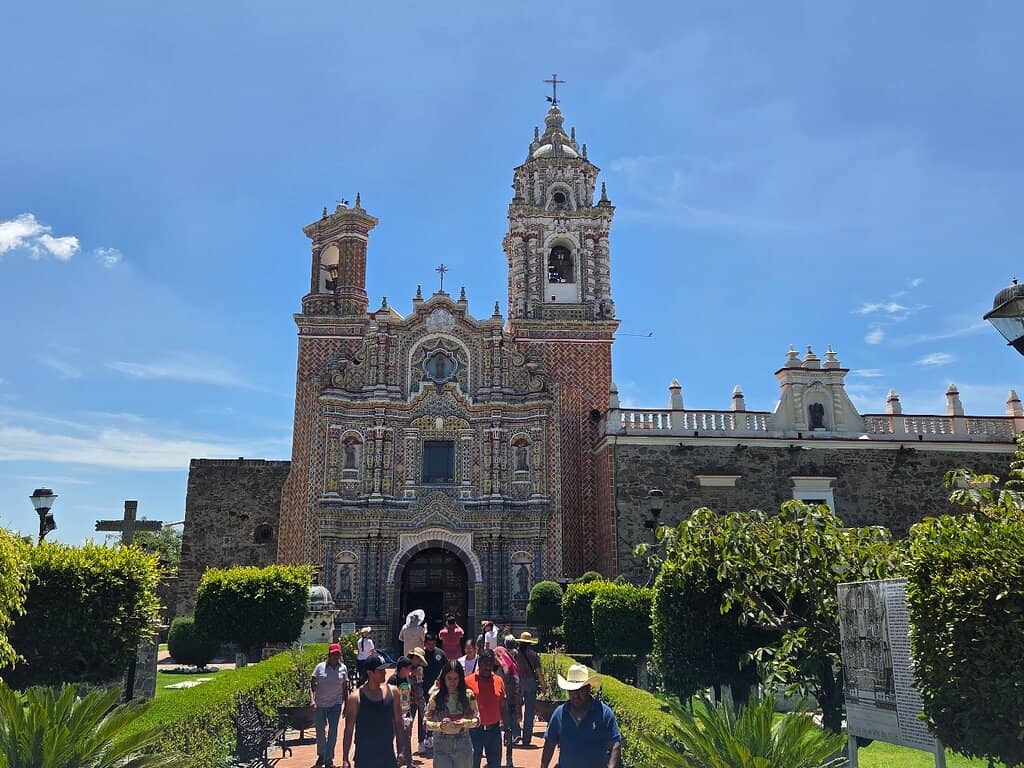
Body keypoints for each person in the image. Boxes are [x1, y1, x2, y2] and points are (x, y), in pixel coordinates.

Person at [540, 664, 621, 768]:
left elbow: (615, 743)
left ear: (588, 689)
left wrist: (611, 766)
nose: (575, 695)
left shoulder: (604, 713)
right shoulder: (560, 713)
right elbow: (549, 744)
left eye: (580, 690)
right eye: (572, 690)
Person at [341, 655, 403, 768]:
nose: (385, 672)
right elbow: (349, 730)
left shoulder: (393, 692)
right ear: (370, 673)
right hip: (364, 757)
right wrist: (345, 758)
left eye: (384, 669)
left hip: (387, 755)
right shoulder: (355, 698)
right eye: (380, 670)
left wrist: (400, 751)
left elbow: (399, 723)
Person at [425, 659, 480, 768]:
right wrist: (439, 725)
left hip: (463, 743)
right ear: (443, 678)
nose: (452, 682)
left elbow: (477, 720)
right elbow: (425, 722)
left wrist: (464, 723)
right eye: (449, 678)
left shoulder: (468, 696)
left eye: (455, 679)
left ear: (460, 679)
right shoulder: (435, 697)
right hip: (441, 744)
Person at [465, 649, 509, 768]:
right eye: (485, 663)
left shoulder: (498, 681)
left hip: (494, 731)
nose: (488, 666)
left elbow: (503, 706)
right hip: (474, 731)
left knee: (495, 765)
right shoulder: (468, 681)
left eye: (490, 663)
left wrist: (507, 729)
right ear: (479, 663)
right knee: (472, 764)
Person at [310, 642, 349, 768]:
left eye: (338, 654)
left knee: (333, 732)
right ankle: (321, 755)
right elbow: (312, 684)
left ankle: (329, 760)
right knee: (320, 732)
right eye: (333, 654)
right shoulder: (319, 667)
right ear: (329, 655)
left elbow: (345, 688)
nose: (335, 657)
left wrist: (346, 705)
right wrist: (312, 700)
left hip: (335, 705)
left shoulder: (343, 668)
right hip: (320, 704)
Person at [514, 631, 545, 746]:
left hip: (518, 681)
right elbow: (539, 672)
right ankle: (526, 738)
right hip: (531, 682)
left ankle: (516, 733)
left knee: (515, 708)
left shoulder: (515, 654)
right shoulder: (534, 655)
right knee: (529, 711)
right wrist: (543, 685)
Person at [388, 656, 415, 768]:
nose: (410, 671)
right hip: (395, 714)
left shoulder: (406, 679)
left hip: (406, 712)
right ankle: (395, 760)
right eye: (409, 668)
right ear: (403, 668)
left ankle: (409, 762)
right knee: (394, 737)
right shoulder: (393, 680)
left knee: (406, 738)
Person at [494, 643, 521, 744]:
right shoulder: (510, 659)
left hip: (508, 687)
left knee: (507, 710)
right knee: (513, 709)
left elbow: (504, 669)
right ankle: (516, 733)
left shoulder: (498, 657)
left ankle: (510, 734)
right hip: (516, 684)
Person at [409, 647, 429, 749]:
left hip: (420, 697)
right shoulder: (406, 666)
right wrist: (410, 674)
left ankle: (421, 742)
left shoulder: (420, 669)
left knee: (422, 719)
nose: (417, 661)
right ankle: (405, 746)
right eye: (416, 658)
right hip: (409, 699)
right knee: (408, 722)